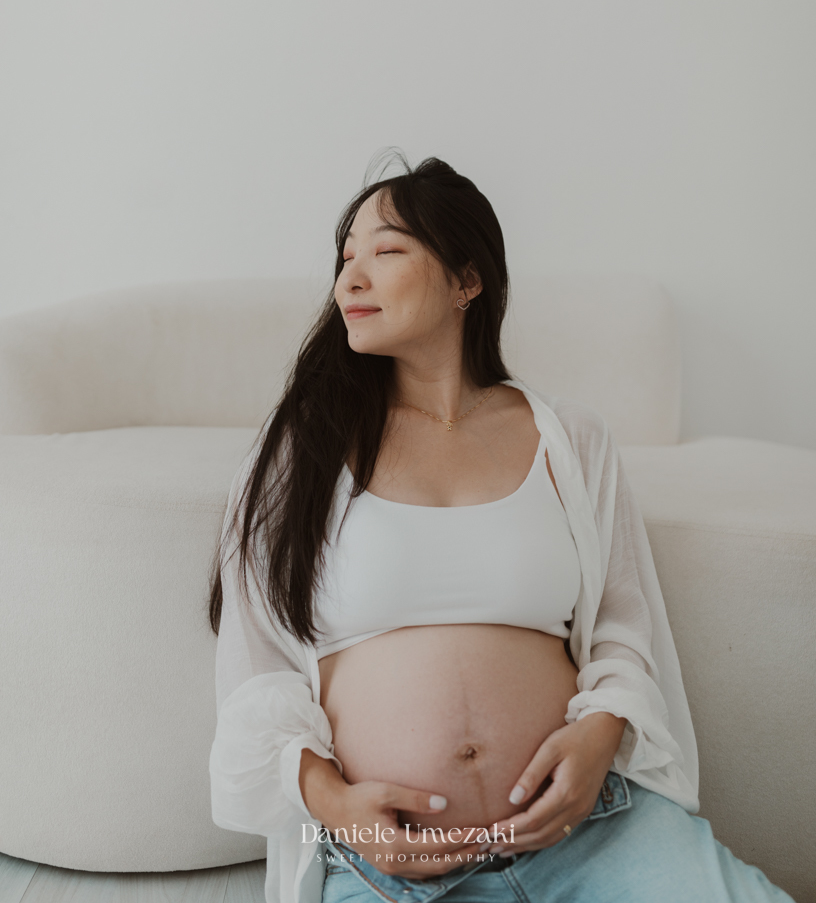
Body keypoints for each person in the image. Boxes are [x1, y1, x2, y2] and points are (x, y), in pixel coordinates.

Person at [209, 156, 793, 903]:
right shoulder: (300, 453)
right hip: (388, 867)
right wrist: (337, 808)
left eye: (385, 252)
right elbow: (256, 668)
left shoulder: (571, 440)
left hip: (596, 834)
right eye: (345, 258)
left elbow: (621, 624)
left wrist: (601, 732)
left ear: (466, 281)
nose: (349, 279)